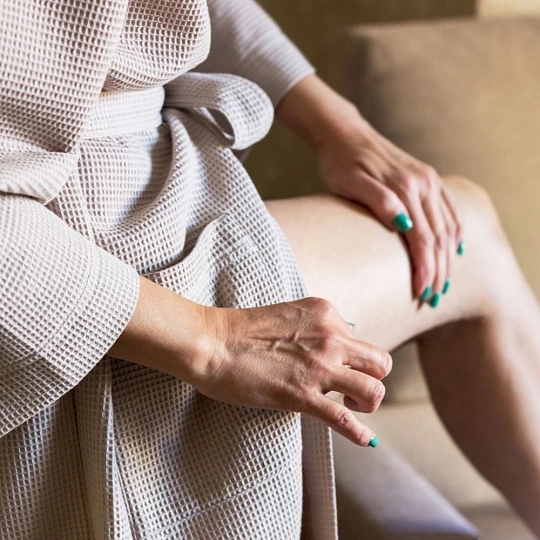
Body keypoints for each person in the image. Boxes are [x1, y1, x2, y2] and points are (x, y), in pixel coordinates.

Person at [1, 0, 539, 538]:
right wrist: (214, 341)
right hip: (58, 261)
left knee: (462, 227)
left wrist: (341, 127)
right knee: (469, 239)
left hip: (152, 185)